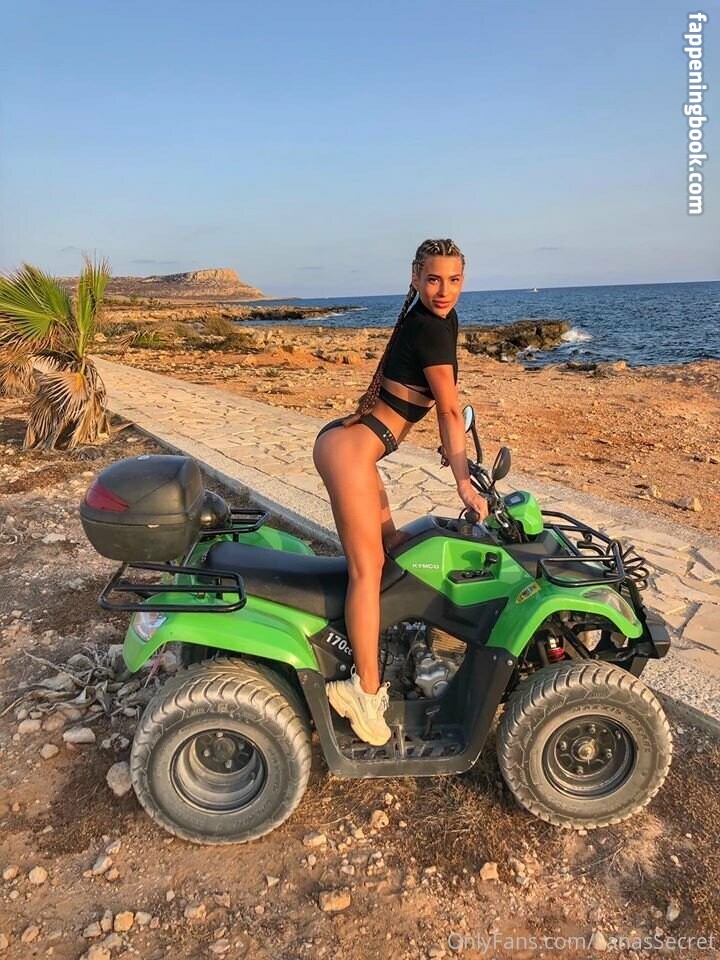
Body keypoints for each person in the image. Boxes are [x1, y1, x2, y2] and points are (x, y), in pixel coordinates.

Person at [312, 238, 489, 746]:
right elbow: (450, 409)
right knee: (365, 571)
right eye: (433, 279)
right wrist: (462, 480)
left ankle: (386, 641)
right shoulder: (431, 327)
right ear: (415, 278)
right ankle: (363, 691)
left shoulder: (436, 321)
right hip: (351, 454)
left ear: (463, 280)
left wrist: (454, 453)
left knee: (389, 549)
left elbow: (442, 404)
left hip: (355, 448)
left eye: (453, 280)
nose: (443, 290)